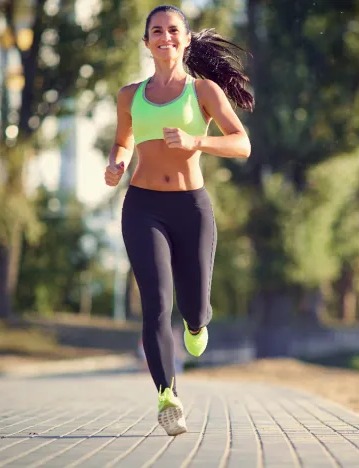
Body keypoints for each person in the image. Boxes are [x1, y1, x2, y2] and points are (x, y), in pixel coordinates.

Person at [104, 4, 253, 436]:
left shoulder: (203, 90)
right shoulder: (130, 95)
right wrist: (116, 164)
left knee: (193, 306)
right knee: (155, 304)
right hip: (143, 207)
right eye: (156, 31)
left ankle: (197, 322)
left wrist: (196, 141)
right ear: (146, 42)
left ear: (186, 40)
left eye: (173, 30)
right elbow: (121, 142)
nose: (165, 36)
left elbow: (241, 144)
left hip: (191, 208)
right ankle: (167, 395)